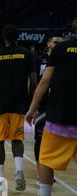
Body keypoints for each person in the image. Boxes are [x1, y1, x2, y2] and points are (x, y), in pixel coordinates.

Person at [25, 19, 77, 196]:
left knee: (46, 160)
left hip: (60, 115)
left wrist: (32, 108)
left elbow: (45, 81)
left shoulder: (61, 48)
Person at [0, 24, 37, 191]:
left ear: (3, 38)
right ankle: (19, 171)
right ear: (18, 36)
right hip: (20, 103)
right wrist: (33, 103)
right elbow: (33, 80)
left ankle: (0, 180)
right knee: (17, 139)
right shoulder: (27, 55)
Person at [33, 33, 64, 185]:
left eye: (60, 42)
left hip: (60, 107)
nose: (57, 44)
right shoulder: (40, 60)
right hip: (43, 107)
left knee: (53, 144)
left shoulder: (67, 60)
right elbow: (37, 82)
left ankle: (48, 173)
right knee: (40, 140)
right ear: (49, 44)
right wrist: (34, 105)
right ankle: (41, 174)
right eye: (55, 42)